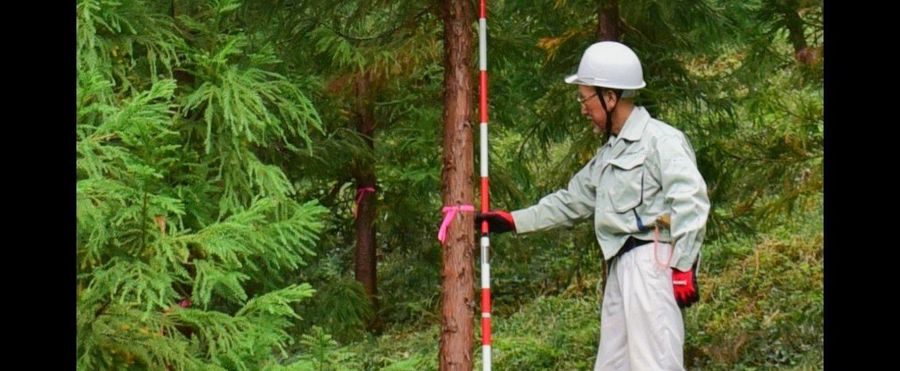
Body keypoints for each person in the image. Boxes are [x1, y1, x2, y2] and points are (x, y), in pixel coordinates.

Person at [476, 41, 710, 371]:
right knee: (612, 366)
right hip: (620, 266)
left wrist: (684, 264)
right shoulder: (609, 156)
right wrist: (514, 221)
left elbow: (690, 199)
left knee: (656, 364)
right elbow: (571, 201)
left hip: (651, 263)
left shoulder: (661, 140)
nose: (583, 108)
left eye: (586, 98)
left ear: (610, 97)